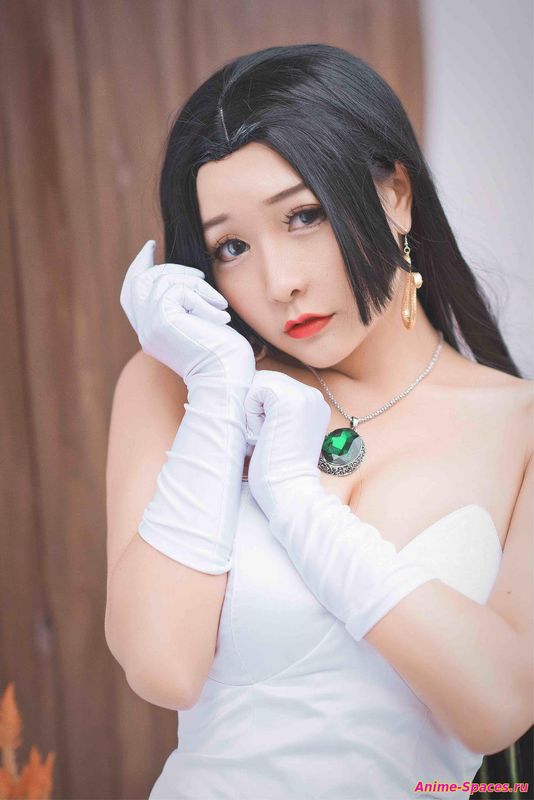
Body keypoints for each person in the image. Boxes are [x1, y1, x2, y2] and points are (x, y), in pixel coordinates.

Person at [105, 43, 533, 799]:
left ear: (395, 195)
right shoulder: (174, 387)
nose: (278, 283)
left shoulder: (518, 427)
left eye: (304, 215)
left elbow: (496, 705)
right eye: (231, 246)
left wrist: (299, 506)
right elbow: (162, 665)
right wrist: (216, 389)